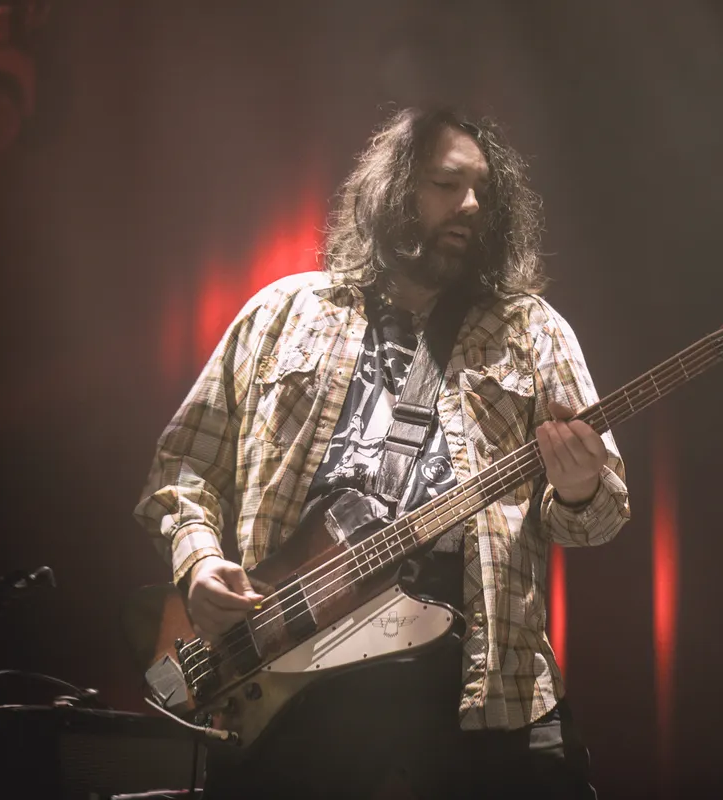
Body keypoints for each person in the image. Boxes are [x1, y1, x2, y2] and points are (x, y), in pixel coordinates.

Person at [133, 106, 630, 799]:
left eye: (483, 192)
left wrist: (580, 487)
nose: (471, 206)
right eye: (446, 185)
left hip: (481, 695)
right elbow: (183, 467)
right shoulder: (281, 313)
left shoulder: (533, 332)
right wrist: (199, 563)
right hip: (287, 684)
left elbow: (602, 515)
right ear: (394, 192)